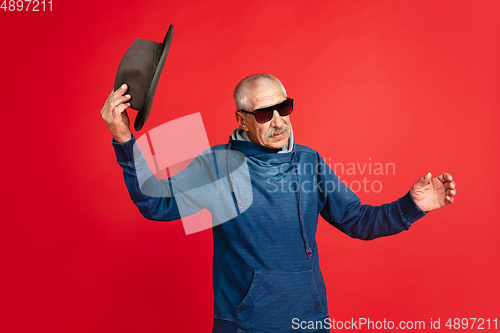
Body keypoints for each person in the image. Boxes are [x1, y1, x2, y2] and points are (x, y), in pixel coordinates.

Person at [101, 74, 456, 333]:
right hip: (245, 323)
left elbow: (358, 220)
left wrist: (413, 206)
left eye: (283, 107)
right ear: (241, 119)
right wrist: (123, 139)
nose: (278, 121)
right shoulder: (218, 164)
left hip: (310, 320)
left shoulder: (309, 161)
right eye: (263, 113)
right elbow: (155, 204)